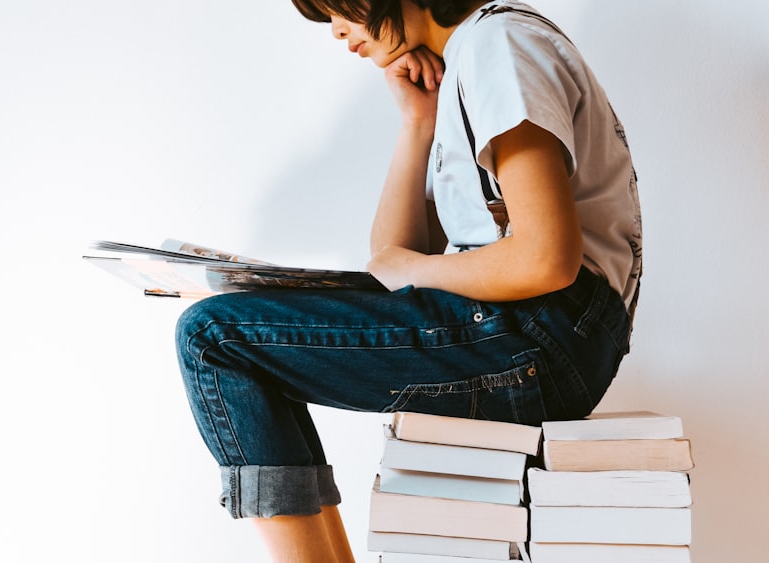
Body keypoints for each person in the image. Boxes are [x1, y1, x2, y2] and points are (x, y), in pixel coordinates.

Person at [174, 0, 643, 560]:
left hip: (546, 331)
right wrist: (417, 123)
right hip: (534, 329)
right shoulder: (471, 57)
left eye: (335, 9)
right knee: (232, 330)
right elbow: (392, 255)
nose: (338, 32)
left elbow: (546, 260)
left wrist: (413, 270)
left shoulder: (499, 46)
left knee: (214, 339)